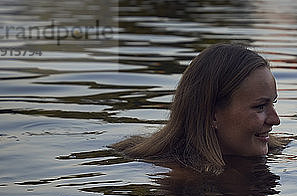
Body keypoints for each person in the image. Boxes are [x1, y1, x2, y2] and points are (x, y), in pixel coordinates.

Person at [111, 43, 282, 174]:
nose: (276, 119)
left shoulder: (279, 151)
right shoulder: (177, 176)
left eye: (272, 104)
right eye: (260, 107)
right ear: (212, 116)